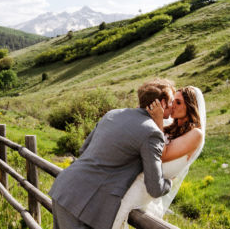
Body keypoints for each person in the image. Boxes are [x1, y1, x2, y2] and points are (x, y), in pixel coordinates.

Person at [49, 79, 176, 229]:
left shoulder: (113, 113)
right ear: (161, 104)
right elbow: (155, 188)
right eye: (171, 102)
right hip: (87, 206)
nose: (173, 107)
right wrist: (169, 182)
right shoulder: (152, 133)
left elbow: (84, 150)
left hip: (65, 188)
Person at [112, 86, 206, 229]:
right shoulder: (168, 127)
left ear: (191, 106)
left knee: (119, 210)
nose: (173, 105)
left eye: (179, 103)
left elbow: (162, 154)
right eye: (173, 101)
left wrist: (158, 120)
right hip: (132, 177)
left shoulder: (196, 134)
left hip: (145, 185)